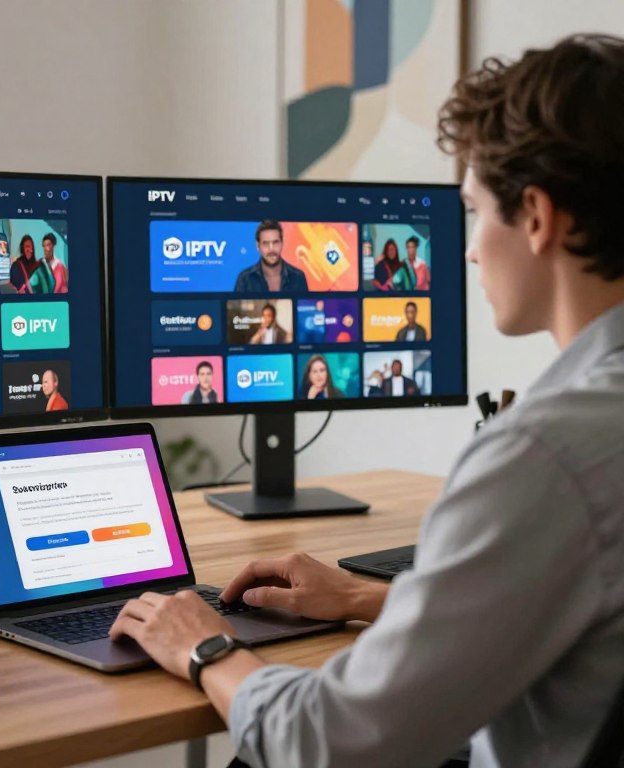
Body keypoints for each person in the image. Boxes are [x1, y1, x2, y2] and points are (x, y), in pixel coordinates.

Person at [108, 34, 624, 767]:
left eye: (474, 211)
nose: (470, 249)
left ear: (536, 217)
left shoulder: (541, 455)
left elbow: (332, 744)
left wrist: (205, 647)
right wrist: (369, 599)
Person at [233, 220, 309, 293]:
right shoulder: (245, 279)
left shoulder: (298, 277)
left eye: (275, 242)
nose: (271, 249)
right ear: (258, 246)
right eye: (266, 243)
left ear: (282, 243)